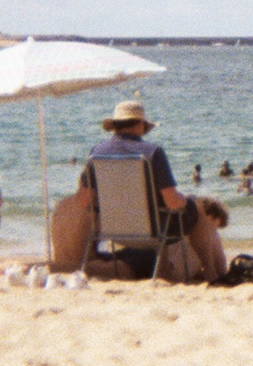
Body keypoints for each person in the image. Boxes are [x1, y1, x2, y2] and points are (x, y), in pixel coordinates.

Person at [67, 100, 226, 281]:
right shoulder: (152, 152)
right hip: (152, 230)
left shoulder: (96, 152)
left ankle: (163, 270)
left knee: (160, 210)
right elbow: (172, 202)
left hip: (112, 231)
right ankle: (211, 273)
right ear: (140, 125)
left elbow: (84, 200)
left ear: (115, 126)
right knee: (198, 209)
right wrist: (188, 201)